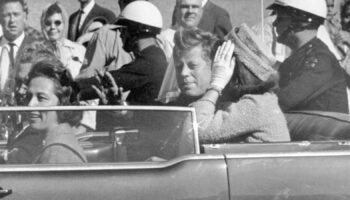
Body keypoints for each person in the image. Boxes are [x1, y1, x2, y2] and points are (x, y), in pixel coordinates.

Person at [171, 28, 290, 143]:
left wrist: (216, 84)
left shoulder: (257, 105)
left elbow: (195, 132)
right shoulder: (252, 101)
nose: (217, 68)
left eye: (220, 64)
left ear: (234, 68)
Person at [268, 0, 349, 113]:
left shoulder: (321, 60)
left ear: (300, 22)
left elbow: (282, 101)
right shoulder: (297, 57)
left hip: (321, 130)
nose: (274, 23)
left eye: (280, 18)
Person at [80, 1, 167, 105]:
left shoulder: (150, 61)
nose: (120, 34)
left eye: (123, 29)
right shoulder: (155, 55)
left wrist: (71, 88)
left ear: (135, 30)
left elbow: (112, 80)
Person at [9, 57, 87, 164]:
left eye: (41, 98)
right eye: (29, 96)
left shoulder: (58, 152)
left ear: (62, 103)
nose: (30, 105)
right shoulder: (51, 141)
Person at [0, 0, 36, 106]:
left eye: (16, 14)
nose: (12, 20)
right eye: (6, 15)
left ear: (25, 17)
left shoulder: (39, 48)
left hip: (25, 115)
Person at [41, 2, 86, 78]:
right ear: (43, 26)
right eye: (48, 23)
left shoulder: (80, 50)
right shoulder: (36, 52)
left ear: (64, 24)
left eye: (57, 23)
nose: (52, 27)